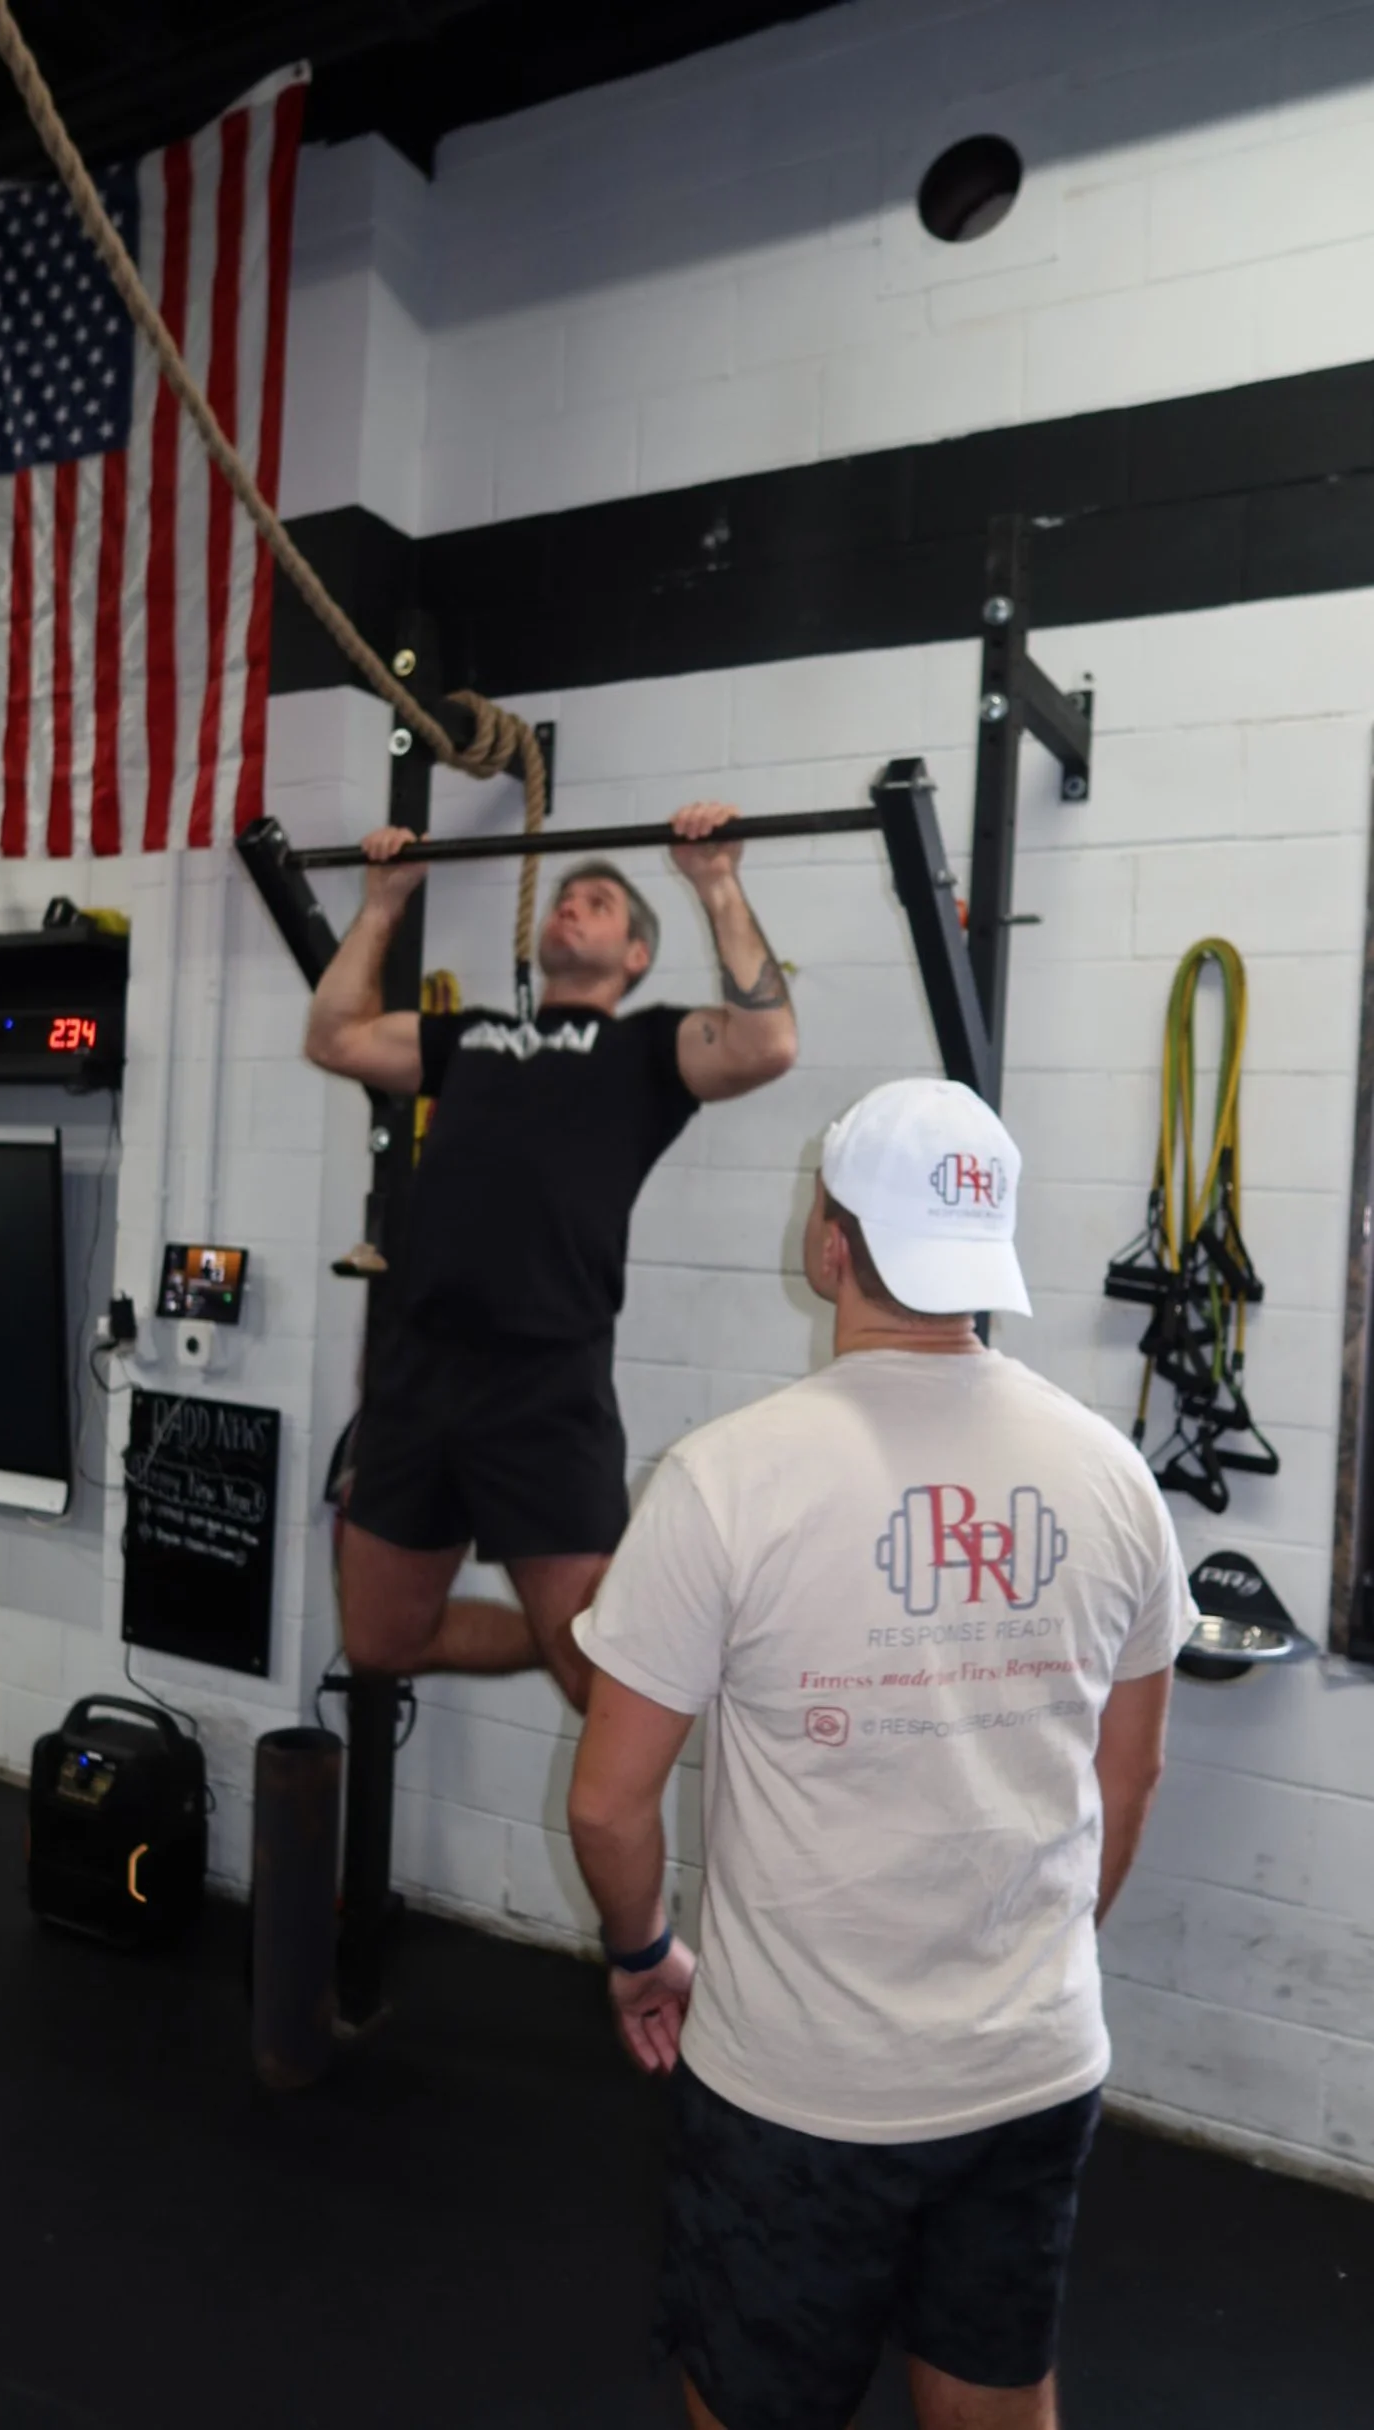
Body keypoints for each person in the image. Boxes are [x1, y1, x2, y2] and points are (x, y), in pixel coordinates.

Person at [566, 1076, 1194, 2430]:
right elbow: (1129, 1779)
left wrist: (640, 1956)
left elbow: (611, 1807)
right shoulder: (1112, 1476)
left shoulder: (725, 1478)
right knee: (998, 2400)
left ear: (830, 1244)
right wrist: (1025, 1966)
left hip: (800, 2089)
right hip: (1033, 2064)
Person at [305, 802, 797, 1714]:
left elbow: (767, 1043)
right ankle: (560, 1645)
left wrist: (717, 882)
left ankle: (581, 1657)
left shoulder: (647, 1049)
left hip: (545, 1384)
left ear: (636, 955)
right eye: (565, 896)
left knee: (593, 1680)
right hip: (417, 1373)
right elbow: (333, 1038)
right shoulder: (472, 1038)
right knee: (379, 1641)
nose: (571, 906)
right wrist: (384, 902)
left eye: (599, 901)